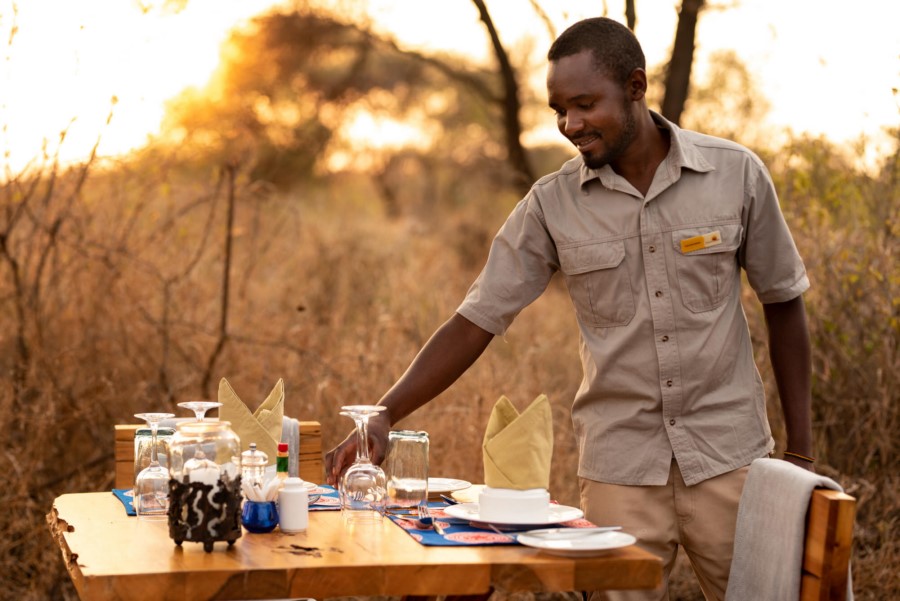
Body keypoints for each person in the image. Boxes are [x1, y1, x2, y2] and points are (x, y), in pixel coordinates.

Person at [326, 16, 814, 601]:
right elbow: (476, 319)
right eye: (559, 110)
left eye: (585, 105)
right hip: (620, 471)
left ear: (635, 87)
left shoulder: (735, 174)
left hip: (730, 458)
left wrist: (801, 453)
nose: (570, 125)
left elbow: (784, 302)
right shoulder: (551, 205)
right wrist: (385, 412)